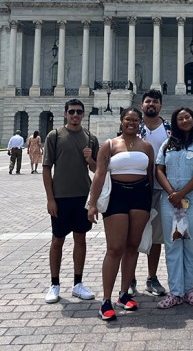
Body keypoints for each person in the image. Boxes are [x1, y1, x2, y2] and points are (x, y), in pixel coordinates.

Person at [88, 107, 154, 321]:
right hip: (117, 195)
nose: (132, 122)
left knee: (132, 247)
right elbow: (99, 174)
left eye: (135, 119)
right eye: (128, 119)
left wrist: (150, 200)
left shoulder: (147, 146)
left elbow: (150, 175)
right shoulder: (110, 144)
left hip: (140, 196)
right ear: (121, 121)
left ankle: (124, 294)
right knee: (115, 248)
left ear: (140, 122)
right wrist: (92, 203)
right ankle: (105, 300)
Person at [155, 107, 193, 309]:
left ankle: (188, 290)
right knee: (172, 244)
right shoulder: (167, 144)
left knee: (190, 244)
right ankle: (175, 292)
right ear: (175, 122)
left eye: (188, 116)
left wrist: (181, 193)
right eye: (180, 118)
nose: (184, 120)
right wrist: (172, 192)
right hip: (169, 199)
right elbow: (159, 169)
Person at [42, 99, 99, 304]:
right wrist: (50, 199)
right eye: (72, 111)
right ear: (65, 113)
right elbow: (47, 168)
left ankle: (78, 283)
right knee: (57, 240)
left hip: (82, 196)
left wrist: (90, 160)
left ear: (83, 115)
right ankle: (54, 284)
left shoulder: (91, 138)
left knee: (80, 239)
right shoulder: (54, 136)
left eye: (79, 112)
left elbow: (96, 171)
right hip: (60, 196)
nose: (75, 115)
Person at [129, 89, 170, 298]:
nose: (151, 104)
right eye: (147, 101)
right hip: (136, 187)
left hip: (162, 190)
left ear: (160, 105)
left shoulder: (171, 129)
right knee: (133, 234)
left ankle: (151, 277)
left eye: (155, 101)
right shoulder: (133, 127)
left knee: (156, 237)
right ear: (142, 105)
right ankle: (130, 277)